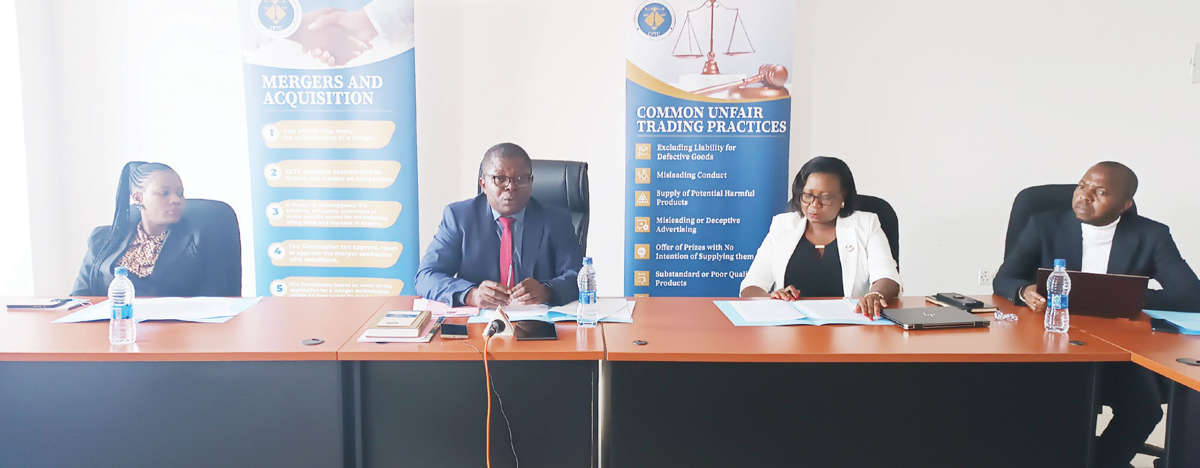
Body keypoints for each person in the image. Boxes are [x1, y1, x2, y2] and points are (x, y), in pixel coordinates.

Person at [993, 161, 1200, 468]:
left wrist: (1120, 296)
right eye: (1082, 186)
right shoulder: (1044, 224)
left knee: (1144, 410)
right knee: (1048, 405)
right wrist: (1024, 291)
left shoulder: (1151, 234)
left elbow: (1191, 295)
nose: (1085, 196)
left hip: (1120, 347)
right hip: (1049, 341)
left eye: (1100, 192)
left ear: (1125, 204)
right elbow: (1004, 278)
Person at [415, 143, 582, 308]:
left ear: (531, 182)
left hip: (538, 320)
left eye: (520, 179)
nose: (511, 187)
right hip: (480, 320)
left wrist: (547, 291)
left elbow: (578, 276)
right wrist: (471, 295)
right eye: (500, 179)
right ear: (483, 184)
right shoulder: (459, 217)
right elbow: (426, 277)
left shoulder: (555, 220)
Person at [739, 156, 901, 319]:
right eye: (808, 195)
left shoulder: (866, 224)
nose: (814, 205)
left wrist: (875, 295)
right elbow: (751, 286)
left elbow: (888, 277)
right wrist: (771, 298)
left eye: (825, 197)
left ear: (843, 197)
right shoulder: (783, 225)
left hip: (850, 324)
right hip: (790, 326)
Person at [71, 162, 237, 297]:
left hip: (176, 327)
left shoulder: (200, 239)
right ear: (138, 198)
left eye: (180, 193)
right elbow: (79, 298)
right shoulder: (102, 239)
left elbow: (214, 302)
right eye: (164, 193)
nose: (176, 200)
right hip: (111, 325)